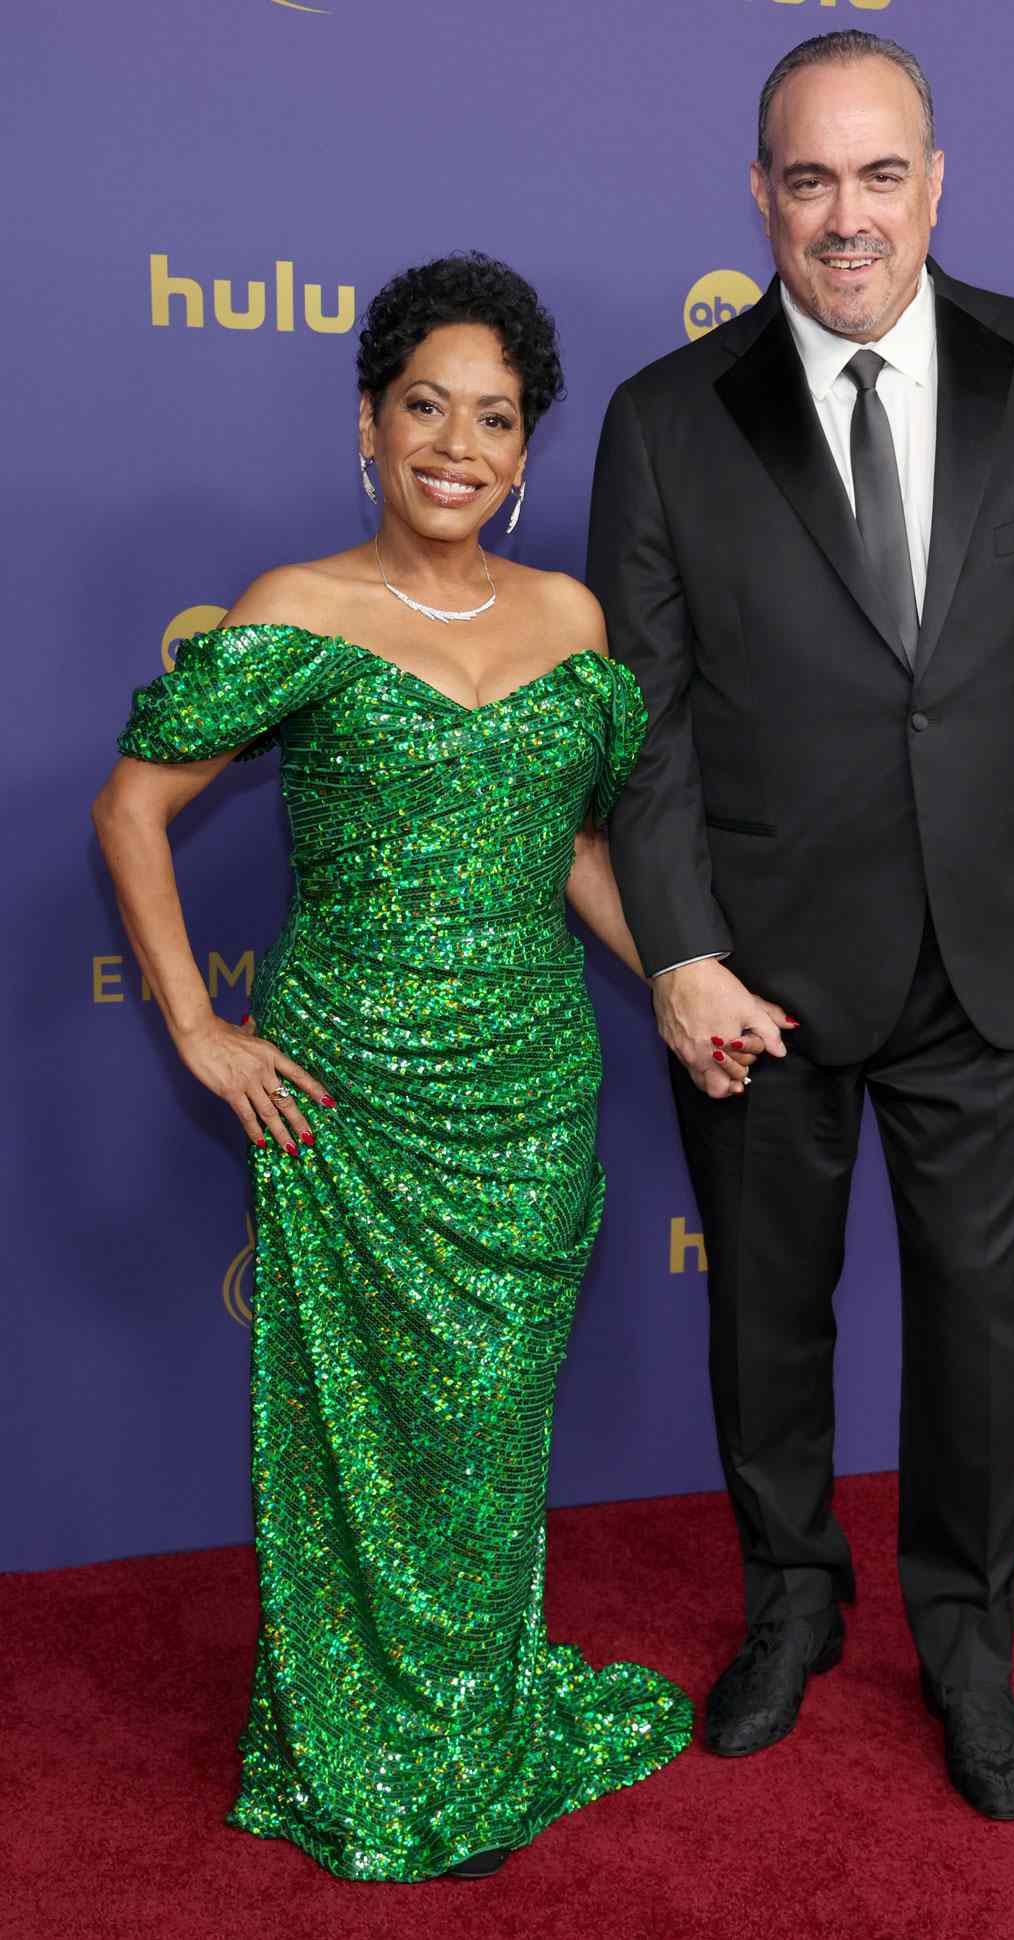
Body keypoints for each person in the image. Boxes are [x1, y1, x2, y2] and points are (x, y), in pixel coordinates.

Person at [587, 32, 1014, 1821]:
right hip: (752, 973)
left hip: (989, 944)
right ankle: (788, 1603)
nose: (842, 218)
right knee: (764, 1316)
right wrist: (679, 949)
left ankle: (967, 1642)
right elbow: (643, 721)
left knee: (973, 1321)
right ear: (757, 193)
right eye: (804, 179)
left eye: (875, 176)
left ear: (934, 182)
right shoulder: (663, 416)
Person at [92, 252, 692, 1881]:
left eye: (493, 420)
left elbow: (568, 848)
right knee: (357, 1436)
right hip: (348, 1098)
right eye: (425, 406)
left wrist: (680, 984)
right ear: (368, 422)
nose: (456, 444)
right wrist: (199, 1029)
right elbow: (131, 807)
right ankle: (366, 1743)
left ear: (523, 451)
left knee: (488, 1432)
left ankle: (476, 1720)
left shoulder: (569, 619)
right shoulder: (297, 608)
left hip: (527, 1096)